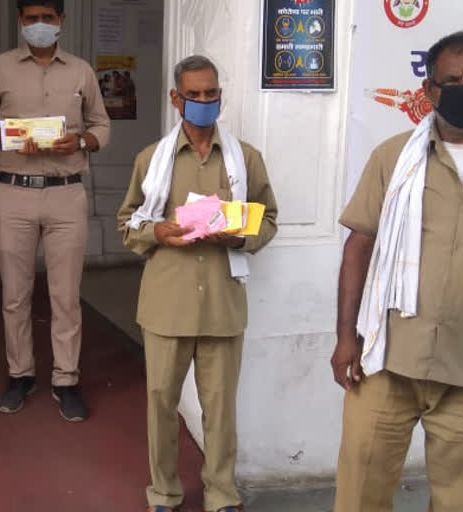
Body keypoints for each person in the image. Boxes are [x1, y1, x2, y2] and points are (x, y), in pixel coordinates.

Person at [332, 31, 463, 512]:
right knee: (359, 496)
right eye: (453, 80)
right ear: (429, 90)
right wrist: (346, 337)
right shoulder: (392, 157)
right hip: (387, 361)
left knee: (462, 504)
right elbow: (358, 244)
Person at [118, 55, 278, 512]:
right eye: (195, 95)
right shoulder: (152, 159)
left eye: (212, 94)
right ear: (176, 99)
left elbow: (269, 219)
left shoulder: (244, 159)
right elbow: (127, 223)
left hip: (223, 306)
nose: (205, 102)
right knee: (161, 406)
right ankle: (165, 493)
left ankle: (222, 494)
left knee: (220, 410)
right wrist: (158, 232)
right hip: (166, 305)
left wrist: (241, 235)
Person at [0, 0, 110, 421]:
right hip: (13, 193)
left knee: (66, 295)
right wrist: (6, 138)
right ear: (20, 22)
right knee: (16, 294)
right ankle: (20, 374)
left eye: (48, 18)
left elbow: (102, 126)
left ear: (61, 22)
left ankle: (66, 378)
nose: (40, 25)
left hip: (66, 192)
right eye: (32, 19)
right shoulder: (0, 68)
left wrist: (80, 142)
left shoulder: (81, 71)